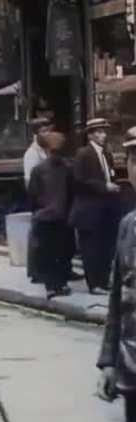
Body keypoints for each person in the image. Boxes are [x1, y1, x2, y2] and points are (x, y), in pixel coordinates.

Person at [97, 126, 136, 422]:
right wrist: (108, 360)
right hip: (131, 365)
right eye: (135, 160)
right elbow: (115, 300)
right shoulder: (128, 225)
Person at [70, 118, 120, 294]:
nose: (102, 135)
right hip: (88, 209)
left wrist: (112, 185)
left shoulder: (107, 154)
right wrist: (103, 186)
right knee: (91, 248)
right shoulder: (83, 153)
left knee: (105, 246)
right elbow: (78, 180)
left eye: (104, 132)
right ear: (90, 134)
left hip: (105, 208)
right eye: (98, 132)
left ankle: (104, 281)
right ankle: (94, 284)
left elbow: (110, 175)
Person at [28, 132, 75, 299]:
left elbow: (32, 195)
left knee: (47, 253)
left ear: (46, 149)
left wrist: (38, 211)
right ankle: (60, 284)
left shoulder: (38, 170)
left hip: (44, 217)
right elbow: (71, 193)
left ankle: (51, 286)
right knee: (62, 252)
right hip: (62, 217)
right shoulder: (68, 168)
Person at [23, 117, 53, 283]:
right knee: (38, 237)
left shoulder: (46, 150)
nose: (47, 133)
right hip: (41, 200)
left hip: (50, 199)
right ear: (36, 133)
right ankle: (37, 273)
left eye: (48, 130)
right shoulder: (31, 154)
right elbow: (29, 181)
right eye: (43, 131)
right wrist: (38, 200)